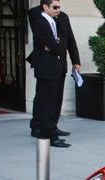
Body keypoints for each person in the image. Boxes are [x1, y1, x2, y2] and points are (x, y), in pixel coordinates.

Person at [26, 0, 75, 147]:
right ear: (45, 7)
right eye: (55, 7)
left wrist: (56, 44)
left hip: (57, 67)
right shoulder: (40, 20)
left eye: (59, 6)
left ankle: (50, 129)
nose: (58, 9)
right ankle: (46, 134)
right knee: (46, 102)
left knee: (53, 101)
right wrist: (55, 44)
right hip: (46, 68)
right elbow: (58, 47)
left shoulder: (59, 19)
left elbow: (67, 42)